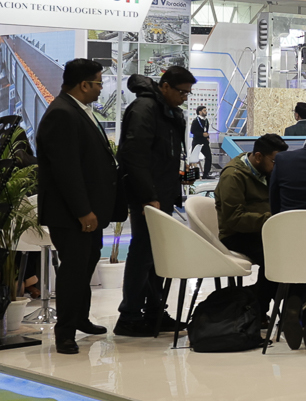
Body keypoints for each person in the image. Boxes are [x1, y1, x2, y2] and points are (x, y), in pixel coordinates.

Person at [36, 58, 119, 355]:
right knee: (73, 271)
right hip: (71, 214)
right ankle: (65, 333)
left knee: (85, 265)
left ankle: (80, 318)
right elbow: (66, 170)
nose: (101, 89)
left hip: (87, 212)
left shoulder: (78, 110)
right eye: (98, 83)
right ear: (83, 85)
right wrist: (83, 211)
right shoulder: (62, 113)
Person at [115, 65, 194, 338]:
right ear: (165, 86)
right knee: (142, 254)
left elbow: (165, 156)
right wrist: (149, 196)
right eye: (181, 92)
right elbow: (134, 156)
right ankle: (129, 316)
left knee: (156, 255)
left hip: (163, 193)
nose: (184, 97)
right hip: (148, 197)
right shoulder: (144, 109)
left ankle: (154, 312)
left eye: (188, 93)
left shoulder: (168, 112)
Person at [216, 132, 285, 302]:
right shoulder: (233, 176)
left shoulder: (267, 172)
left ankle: (296, 305)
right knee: (277, 258)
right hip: (236, 235)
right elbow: (234, 219)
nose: (278, 167)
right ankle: (257, 305)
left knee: (297, 251)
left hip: (264, 231)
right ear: (259, 157)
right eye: (275, 162)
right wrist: (272, 219)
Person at [191, 104, 215, 175]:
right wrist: (202, 134)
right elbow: (192, 131)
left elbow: (206, 130)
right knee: (194, 158)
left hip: (204, 142)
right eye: (204, 110)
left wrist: (207, 137)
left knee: (208, 157)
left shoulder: (206, 120)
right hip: (197, 141)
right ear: (200, 112)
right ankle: (194, 174)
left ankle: (206, 174)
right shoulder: (196, 121)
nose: (206, 112)